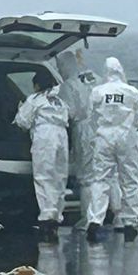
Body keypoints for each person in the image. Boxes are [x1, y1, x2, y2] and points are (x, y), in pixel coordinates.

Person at [87, 57, 138, 243]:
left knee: (100, 180)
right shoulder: (132, 92)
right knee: (130, 180)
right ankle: (129, 223)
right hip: (126, 138)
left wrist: (100, 131)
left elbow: (91, 117)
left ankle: (95, 220)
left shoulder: (97, 92)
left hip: (104, 138)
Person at [14, 71, 70, 242]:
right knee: (59, 177)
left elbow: (23, 121)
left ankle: (46, 217)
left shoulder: (35, 99)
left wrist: (19, 110)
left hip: (45, 136)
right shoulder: (59, 100)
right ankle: (56, 216)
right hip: (62, 136)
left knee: (44, 176)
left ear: (37, 85)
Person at [56, 49, 99, 221]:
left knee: (86, 178)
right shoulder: (91, 79)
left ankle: (88, 218)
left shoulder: (68, 85)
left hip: (83, 131)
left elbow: (69, 112)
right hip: (98, 128)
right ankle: (115, 216)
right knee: (103, 176)